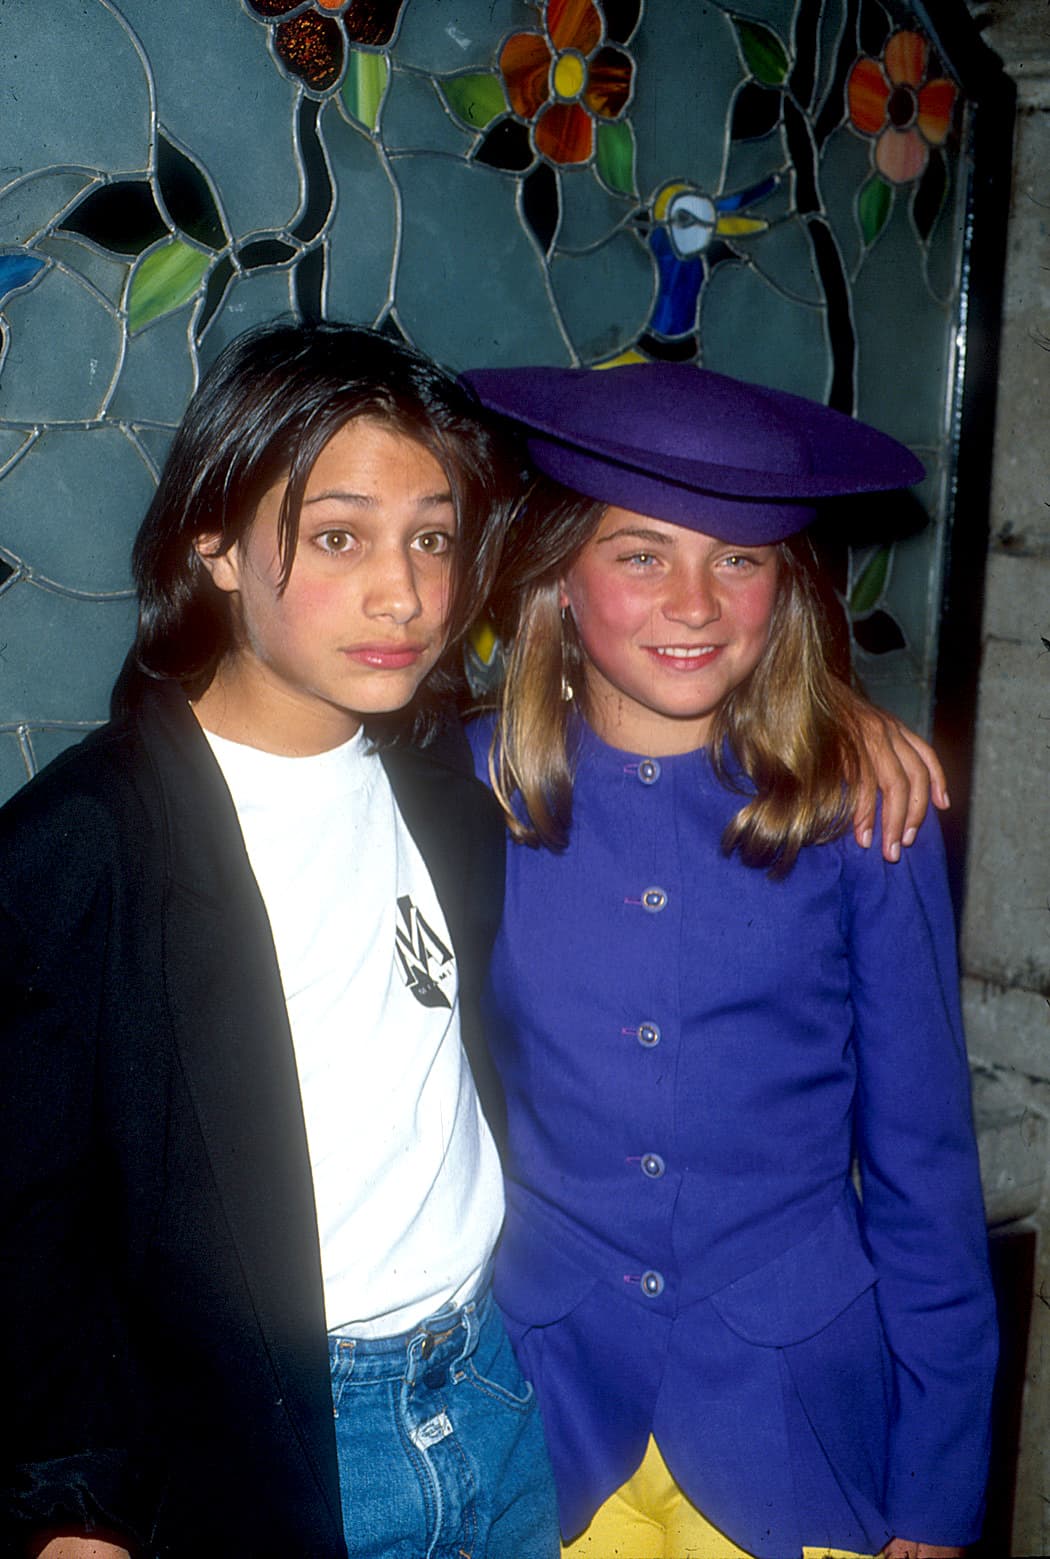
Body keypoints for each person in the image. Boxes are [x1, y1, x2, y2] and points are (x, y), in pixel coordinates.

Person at [0, 323, 561, 1559]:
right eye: (338, 536)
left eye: (433, 536)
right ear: (213, 544)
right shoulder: (84, 840)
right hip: (279, 1441)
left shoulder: (447, 797)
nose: (404, 592)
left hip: (491, 1392)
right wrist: (74, 1504)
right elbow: (32, 1219)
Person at [460, 362, 998, 1559]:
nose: (695, 603)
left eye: (738, 559)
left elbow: (924, 1164)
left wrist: (940, 1478)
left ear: (784, 585)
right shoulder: (466, 791)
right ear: (558, 573)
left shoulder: (861, 813)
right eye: (642, 554)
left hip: (799, 1414)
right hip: (545, 1406)